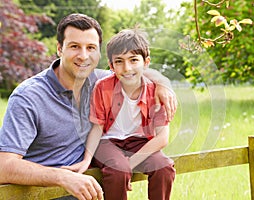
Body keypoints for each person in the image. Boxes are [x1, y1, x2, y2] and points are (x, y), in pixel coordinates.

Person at [0, 14, 177, 200]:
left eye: (91, 48)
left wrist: (162, 84)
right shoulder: (29, 97)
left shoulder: (102, 82)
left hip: (89, 192)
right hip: (43, 195)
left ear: (99, 53)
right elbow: (3, 166)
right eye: (74, 46)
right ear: (60, 49)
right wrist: (62, 177)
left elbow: (133, 68)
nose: (83, 56)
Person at [64, 28, 176, 200]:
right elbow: (97, 128)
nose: (127, 68)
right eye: (119, 61)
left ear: (146, 63)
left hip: (139, 142)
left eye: (133, 60)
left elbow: (162, 138)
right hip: (108, 142)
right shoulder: (103, 87)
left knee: (164, 167)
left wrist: (130, 165)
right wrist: (87, 160)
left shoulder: (157, 92)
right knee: (117, 170)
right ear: (111, 65)